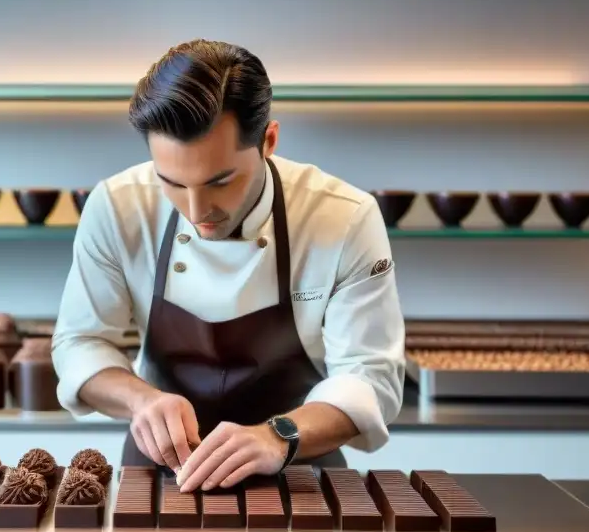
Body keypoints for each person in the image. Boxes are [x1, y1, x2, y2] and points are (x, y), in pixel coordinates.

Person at [51, 39, 405, 494]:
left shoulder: (343, 217)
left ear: (269, 141)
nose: (198, 210)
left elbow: (369, 376)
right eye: (172, 183)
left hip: (299, 467)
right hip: (162, 474)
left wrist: (279, 436)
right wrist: (142, 400)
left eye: (220, 181)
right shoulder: (118, 207)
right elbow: (80, 343)